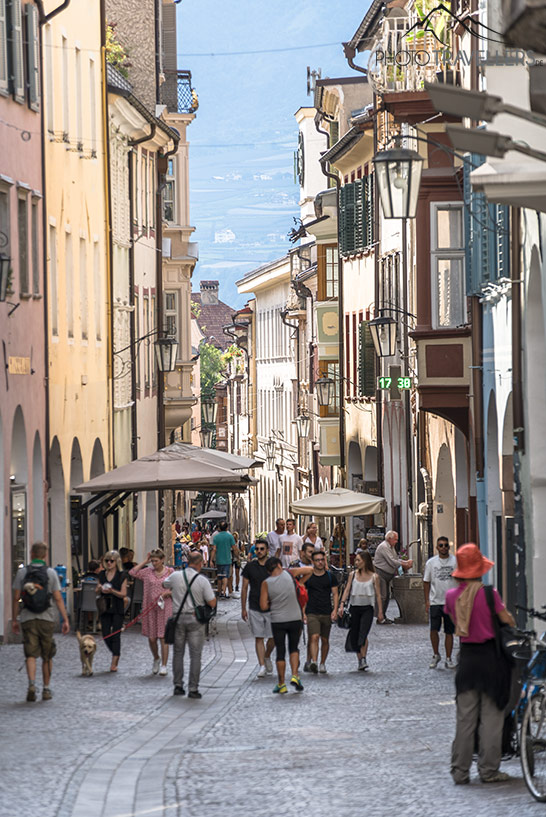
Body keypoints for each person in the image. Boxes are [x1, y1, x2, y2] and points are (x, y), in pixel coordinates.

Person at [444, 543, 515, 785]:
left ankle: (460, 772)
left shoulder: (451, 596)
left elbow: (455, 621)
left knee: (465, 720)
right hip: (491, 660)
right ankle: (488, 770)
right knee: (491, 719)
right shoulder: (489, 594)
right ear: (479, 569)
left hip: (467, 660)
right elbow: (507, 620)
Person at [12, 541, 70, 702]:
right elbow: (58, 598)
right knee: (47, 655)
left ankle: (31, 685)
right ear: (45, 555)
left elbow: (16, 597)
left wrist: (15, 619)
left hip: (28, 617)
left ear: (31, 554)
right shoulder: (51, 573)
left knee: (30, 654)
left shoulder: (22, 573)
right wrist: (65, 619)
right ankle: (46, 688)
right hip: (47, 618)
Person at [163, 551, 217, 698]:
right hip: (195, 620)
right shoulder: (202, 580)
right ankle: (193, 688)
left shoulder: (175, 576)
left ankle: (178, 686)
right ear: (200, 564)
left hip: (178, 618)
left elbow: (164, 583)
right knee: (195, 655)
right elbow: (212, 602)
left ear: (187, 562)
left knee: (178, 653)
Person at [260, 557, 313, 694]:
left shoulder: (266, 583)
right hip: (295, 617)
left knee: (280, 652)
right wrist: (300, 583)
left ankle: (281, 683)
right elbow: (310, 570)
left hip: (278, 620)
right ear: (279, 565)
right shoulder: (290, 573)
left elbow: (263, 605)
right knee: (294, 648)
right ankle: (295, 675)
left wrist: (273, 601)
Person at [129, 550, 174, 676]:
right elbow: (132, 572)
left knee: (163, 636)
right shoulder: (147, 572)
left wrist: (167, 593)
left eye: (156, 561)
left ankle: (164, 665)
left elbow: (179, 588)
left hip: (165, 607)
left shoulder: (170, 572)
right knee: (152, 637)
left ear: (162, 559)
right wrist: (145, 561)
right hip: (150, 608)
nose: (154, 563)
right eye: (152, 561)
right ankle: (156, 658)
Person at [339, 550, 384, 670]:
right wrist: (341, 605)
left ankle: (363, 658)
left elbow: (378, 595)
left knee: (363, 633)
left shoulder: (374, 577)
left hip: (368, 608)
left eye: (358, 560)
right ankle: (360, 659)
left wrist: (380, 612)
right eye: (356, 560)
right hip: (354, 607)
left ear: (365, 561)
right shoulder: (352, 575)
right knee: (355, 633)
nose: (356, 562)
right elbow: (347, 590)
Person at [241, 539, 275, 677]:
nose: (259, 551)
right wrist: (243, 608)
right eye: (257, 549)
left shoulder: (273, 566)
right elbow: (244, 587)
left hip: (272, 606)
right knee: (259, 637)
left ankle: (267, 655)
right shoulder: (250, 567)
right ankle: (261, 665)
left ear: (267, 550)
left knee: (273, 637)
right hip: (254, 605)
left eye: (262, 549)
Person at [424, 536, 457, 669]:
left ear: (449, 547)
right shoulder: (431, 563)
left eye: (445, 545)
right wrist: (427, 601)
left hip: (450, 602)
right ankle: (436, 654)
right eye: (441, 545)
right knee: (434, 630)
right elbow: (426, 582)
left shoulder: (455, 561)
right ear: (437, 547)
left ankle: (448, 658)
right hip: (435, 601)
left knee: (449, 631)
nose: (443, 548)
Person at [303, 550, 339, 674]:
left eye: (322, 560)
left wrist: (335, 610)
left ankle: (322, 663)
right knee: (314, 636)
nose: (320, 562)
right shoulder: (308, 577)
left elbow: (335, 594)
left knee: (324, 640)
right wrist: (303, 612)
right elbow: (304, 594)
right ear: (312, 562)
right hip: (312, 611)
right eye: (317, 560)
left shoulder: (330, 577)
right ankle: (314, 661)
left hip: (326, 611)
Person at [96, 550, 128, 672]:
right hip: (105, 607)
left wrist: (112, 591)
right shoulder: (102, 574)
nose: (109, 563)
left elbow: (123, 594)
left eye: (111, 561)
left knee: (116, 634)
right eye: (107, 561)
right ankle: (115, 652)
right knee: (105, 634)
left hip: (117, 607)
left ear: (117, 562)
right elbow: (97, 590)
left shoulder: (122, 575)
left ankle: (114, 661)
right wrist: (99, 589)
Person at [373, 530, 413, 623]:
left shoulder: (391, 547)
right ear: (389, 539)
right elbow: (392, 561)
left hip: (387, 575)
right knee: (383, 596)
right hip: (381, 573)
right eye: (395, 539)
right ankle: (380, 617)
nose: (396, 541)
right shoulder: (384, 547)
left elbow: (395, 559)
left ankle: (383, 616)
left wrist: (404, 562)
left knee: (386, 596)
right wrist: (404, 564)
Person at [211, 521, 236, 598]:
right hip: (227, 559)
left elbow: (214, 549)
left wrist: (211, 560)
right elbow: (234, 548)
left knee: (219, 576)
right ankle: (224, 592)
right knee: (225, 576)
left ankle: (219, 591)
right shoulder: (230, 536)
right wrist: (238, 556)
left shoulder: (216, 537)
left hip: (218, 559)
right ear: (227, 528)